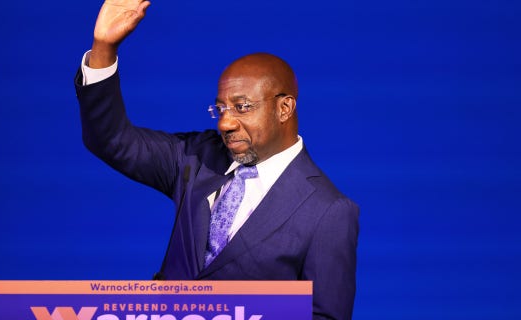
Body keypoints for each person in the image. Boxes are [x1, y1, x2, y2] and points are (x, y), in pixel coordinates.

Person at [74, 1, 359, 319]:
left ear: (284, 108)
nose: (224, 123)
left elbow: (324, 316)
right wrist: (103, 49)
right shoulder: (195, 157)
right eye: (221, 109)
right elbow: (111, 140)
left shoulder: (328, 211)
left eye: (242, 106)